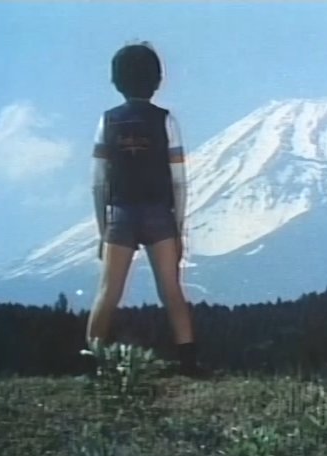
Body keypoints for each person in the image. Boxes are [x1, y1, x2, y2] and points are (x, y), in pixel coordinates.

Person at [85, 41, 209, 379]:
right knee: (171, 288)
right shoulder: (166, 121)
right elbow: (178, 180)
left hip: (120, 213)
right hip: (158, 213)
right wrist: (178, 228)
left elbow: (98, 181)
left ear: (116, 80)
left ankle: (92, 362)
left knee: (108, 291)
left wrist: (103, 230)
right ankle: (188, 361)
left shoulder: (108, 121)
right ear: (157, 80)